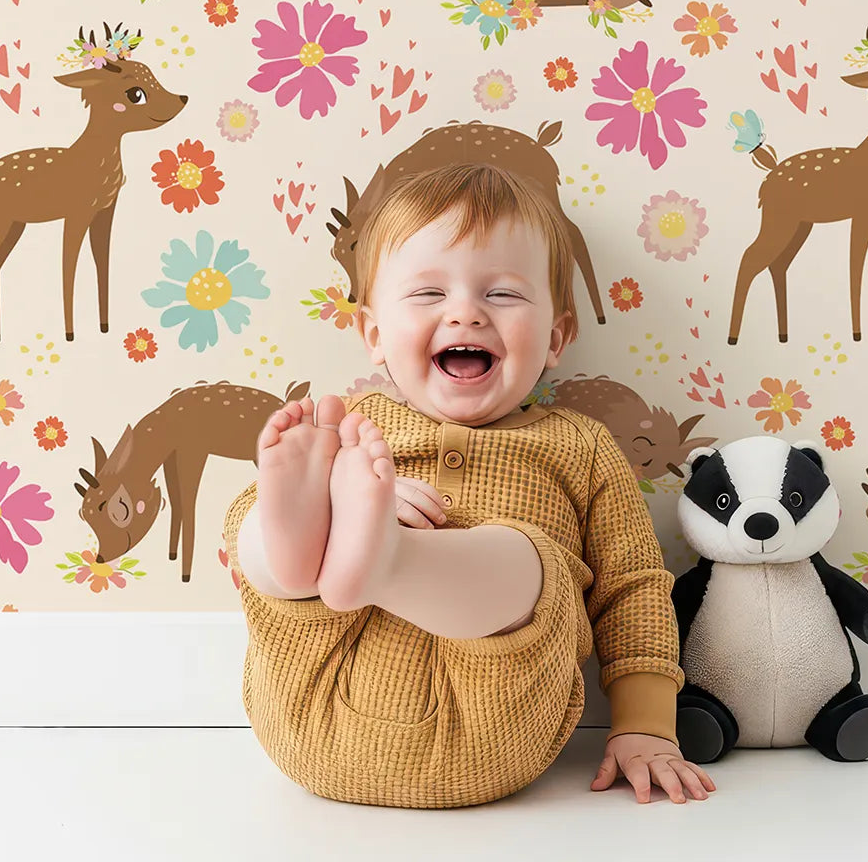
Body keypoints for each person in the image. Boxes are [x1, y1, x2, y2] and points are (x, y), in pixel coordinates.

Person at [222, 163, 716, 809]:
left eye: (503, 295)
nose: (465, 313)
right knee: (262, 528)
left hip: (494, 726)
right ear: (373, 334)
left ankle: (383, 560)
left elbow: (633, 588)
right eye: (428, 295)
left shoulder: (579, 446)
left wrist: (646, 725)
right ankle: (314, 547)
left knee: (526, 557)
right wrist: (332, 506)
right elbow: (237, 522)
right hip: (314, 700)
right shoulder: (349, 434)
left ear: (556, 337)